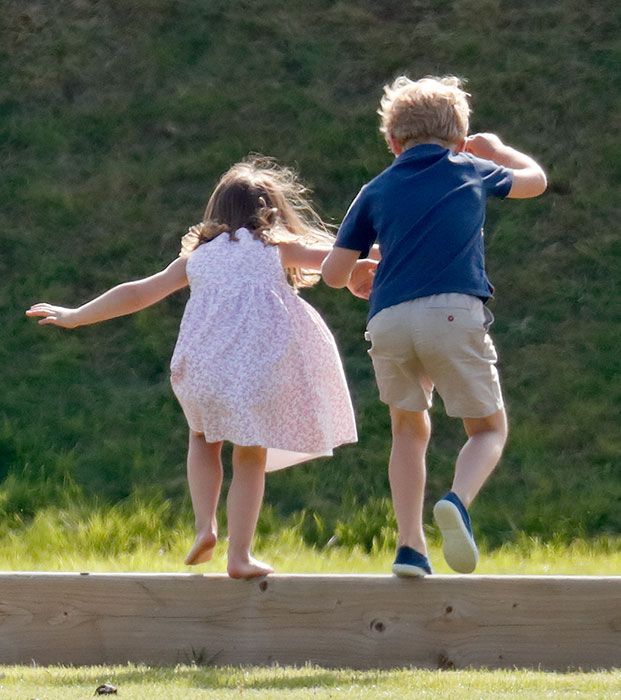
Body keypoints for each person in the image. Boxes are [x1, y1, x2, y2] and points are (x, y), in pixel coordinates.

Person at [27, 156, 358, 579]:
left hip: (201, 372)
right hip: (255, 372)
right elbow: (333, 256)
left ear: (216, 212)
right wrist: (384, 254)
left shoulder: (198, 259)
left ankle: (205, 527)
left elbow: (136, 293)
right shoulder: (276, 249)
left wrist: (75, 314)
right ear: (272, 213)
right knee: (249, 457)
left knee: (202, 439)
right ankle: (240, 556)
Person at [322, 76, 547, 576]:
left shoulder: (375, 188)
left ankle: (409, 547)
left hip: (388, 320)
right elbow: (535, 181)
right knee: (488, 429)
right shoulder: (470, 167)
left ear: (393, 143)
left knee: (407, 428)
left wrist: (363, 273)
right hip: (452, 312)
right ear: (460, 140)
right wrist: (501, 149)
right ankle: (457, 502)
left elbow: (334, 273)